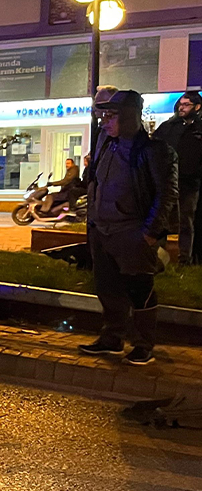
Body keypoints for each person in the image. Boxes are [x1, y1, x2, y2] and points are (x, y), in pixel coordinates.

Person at [78, 90, 178, 365]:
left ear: (130, 116)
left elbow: (167, 192)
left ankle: (144, 344)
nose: (104, 121)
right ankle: (112, 338)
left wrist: (149, 232)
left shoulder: (155, 151)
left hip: (132, 232)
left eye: (111, 116)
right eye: (103, 115)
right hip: (103, 230)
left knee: (139, 289)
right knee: (108, 289)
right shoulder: (105, 143)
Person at [153, 91, 202, 265]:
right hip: (167, 182)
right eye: (181, 104)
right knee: (162, 220)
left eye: (187, 104)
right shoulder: (169, 127)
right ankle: (157, 258)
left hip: (189, 184)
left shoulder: (199, 128)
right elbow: (155, 148)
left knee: (186, 222)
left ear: (197, 107)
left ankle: (185, 260)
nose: (182, 107)